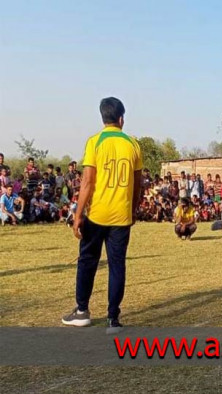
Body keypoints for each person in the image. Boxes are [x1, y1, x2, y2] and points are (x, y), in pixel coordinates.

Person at [61, 97, 143, 334]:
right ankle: (113, 319)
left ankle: (82, 311)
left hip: (97, 214)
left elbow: (87, 181)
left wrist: (77, 214)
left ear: (103, 118)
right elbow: (137, 184)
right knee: (117, 265)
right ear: (121, 119)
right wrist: (133, 208)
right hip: (121, 216)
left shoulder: (94, 142)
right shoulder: (133, 144)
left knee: (88, 261)